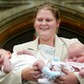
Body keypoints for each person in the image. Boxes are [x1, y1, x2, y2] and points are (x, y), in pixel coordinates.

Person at [0, 3, 83, 84]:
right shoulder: (19, 49)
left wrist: (77, 79)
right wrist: (22, 75)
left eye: (48, 20)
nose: (43, 23)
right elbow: (2, 78)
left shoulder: (73, 44)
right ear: (34, 23)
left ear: (57, 23)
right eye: (39, 20)